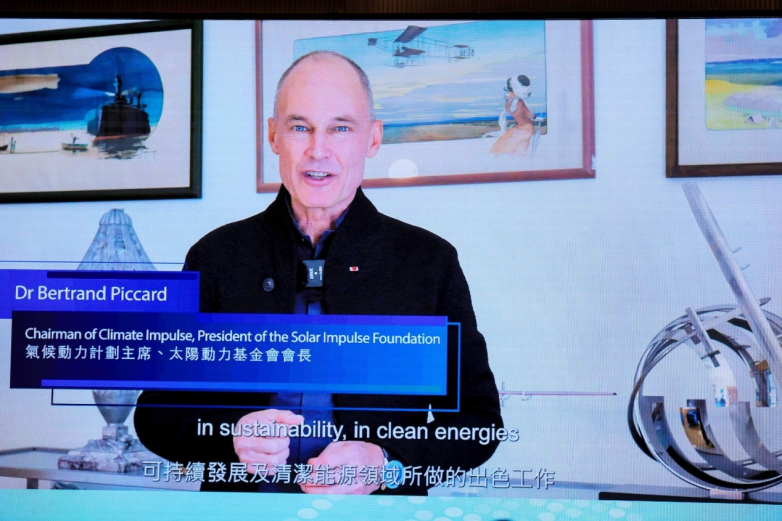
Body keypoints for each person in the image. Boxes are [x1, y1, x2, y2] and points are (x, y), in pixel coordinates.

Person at [134, 51, 502, 495]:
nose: (318, 150)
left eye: (340, 128)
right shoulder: (215, 256)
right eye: (300, 127)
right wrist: (228, 435)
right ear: (273, 135)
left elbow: (478, 423)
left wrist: (386, 463)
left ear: (372, 139)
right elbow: (155, 415)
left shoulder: (428, 261)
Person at [490, 75, 538, 155]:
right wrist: (508, 99)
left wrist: (535, 117)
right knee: (498, 146)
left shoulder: (520, 103)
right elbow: (508, 109)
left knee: (513, 150)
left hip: (527, 128)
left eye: (510, 92)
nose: (509, 94)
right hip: (519, 127)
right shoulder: (512, 102)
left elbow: (528, 112)